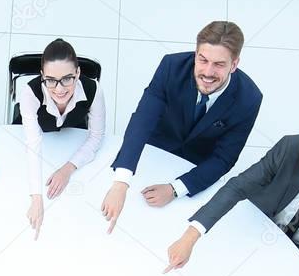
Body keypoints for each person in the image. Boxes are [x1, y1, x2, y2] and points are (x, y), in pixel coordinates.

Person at [165, 112, 299, 273]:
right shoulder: (289, 148)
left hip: (297, 254)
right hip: (255, 225)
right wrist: (190, 237)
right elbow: (238, 186)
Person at [102, 20, 261, 233]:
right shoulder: (171, 67)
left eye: (219, 64)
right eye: (202, 60)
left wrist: (175, 189)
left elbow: (224, 158)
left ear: (234, 64)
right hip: (154, 148)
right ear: (195, 54)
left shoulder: (249, 99)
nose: (207, 71)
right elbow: (142, 120)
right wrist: (121, 182)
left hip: (194, 165)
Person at [19, 38, 106, 238]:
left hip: (73, 133)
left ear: (78, 73)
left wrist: (67, 169)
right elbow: (33, 145)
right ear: (42, 76)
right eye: (50, 80)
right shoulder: (30, 93)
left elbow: (96, 136)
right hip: (39, 133)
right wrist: (37, 198)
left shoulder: (94, 90)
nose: (59, 89)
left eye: (67, 78)